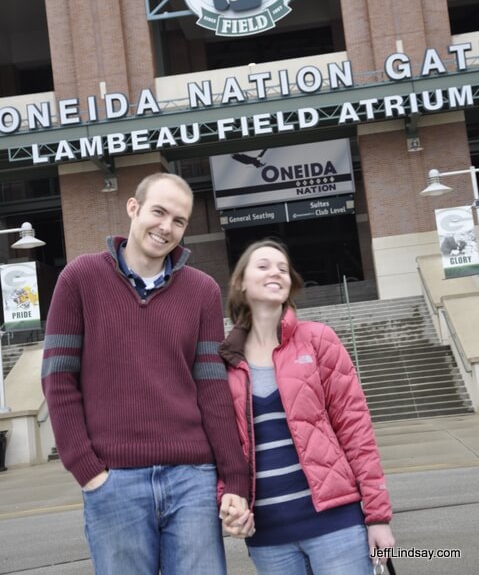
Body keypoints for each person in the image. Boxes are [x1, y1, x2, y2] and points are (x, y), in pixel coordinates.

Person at [41, 172, 250, 575]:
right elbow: (58, 381)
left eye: (179, 221)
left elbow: (212, 389)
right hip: (114, 482)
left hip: (193, 480)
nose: (166, 227)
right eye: (159, 212)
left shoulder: (203, 291)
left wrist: (235, 478)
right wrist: (88, 471)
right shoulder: (80, 279)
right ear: (133, 209)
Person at [219, 239, 395, 575]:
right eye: (264, 266)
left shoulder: (318, 340)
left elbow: (357, 433)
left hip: (336, 527)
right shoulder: (225, 362)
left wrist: (377, 517)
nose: (276, 272)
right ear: (240, 282)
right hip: (268, 538)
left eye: (283, 269)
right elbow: (222, 451)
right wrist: (227, 504)